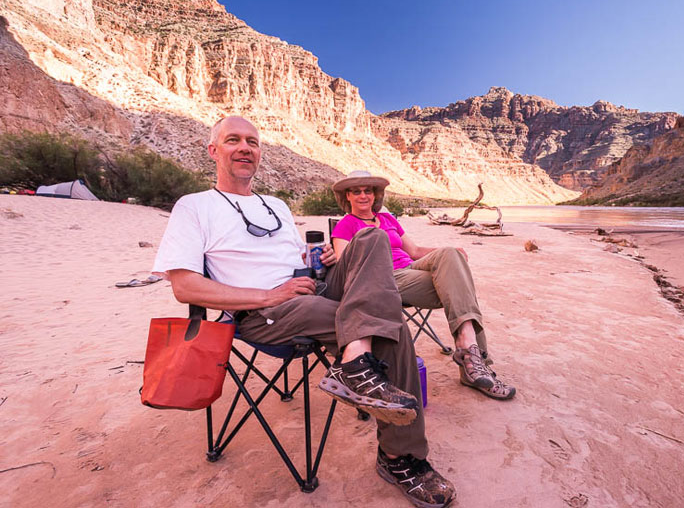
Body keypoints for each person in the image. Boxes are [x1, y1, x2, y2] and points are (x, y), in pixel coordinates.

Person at [152, 117, 456, 508]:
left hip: (311, 289)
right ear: (214, 150)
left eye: (253, 141)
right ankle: (399, 458)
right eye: (233, 140)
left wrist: (326, 260)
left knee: (372, 236)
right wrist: (267, 295)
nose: (245, 147)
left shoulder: (274, 204)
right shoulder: (194, 206)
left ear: (260, 153)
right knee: (391, 325)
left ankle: (354, 361)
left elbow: (298, 262)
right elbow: (185, 287)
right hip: (263, 312)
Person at [331, 171, 515, 400]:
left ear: (375, 194)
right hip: (385, 279)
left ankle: (468, 348)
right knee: (459, 288)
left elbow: (415, 252)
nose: (363, 196)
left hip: (412, 269)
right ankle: (477, 362)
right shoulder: (345, 225)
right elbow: (345, 265)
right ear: (347, 196)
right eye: (356, 191)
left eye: (368, 190)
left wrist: (452, 253)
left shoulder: (388, 219)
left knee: (450, 256)